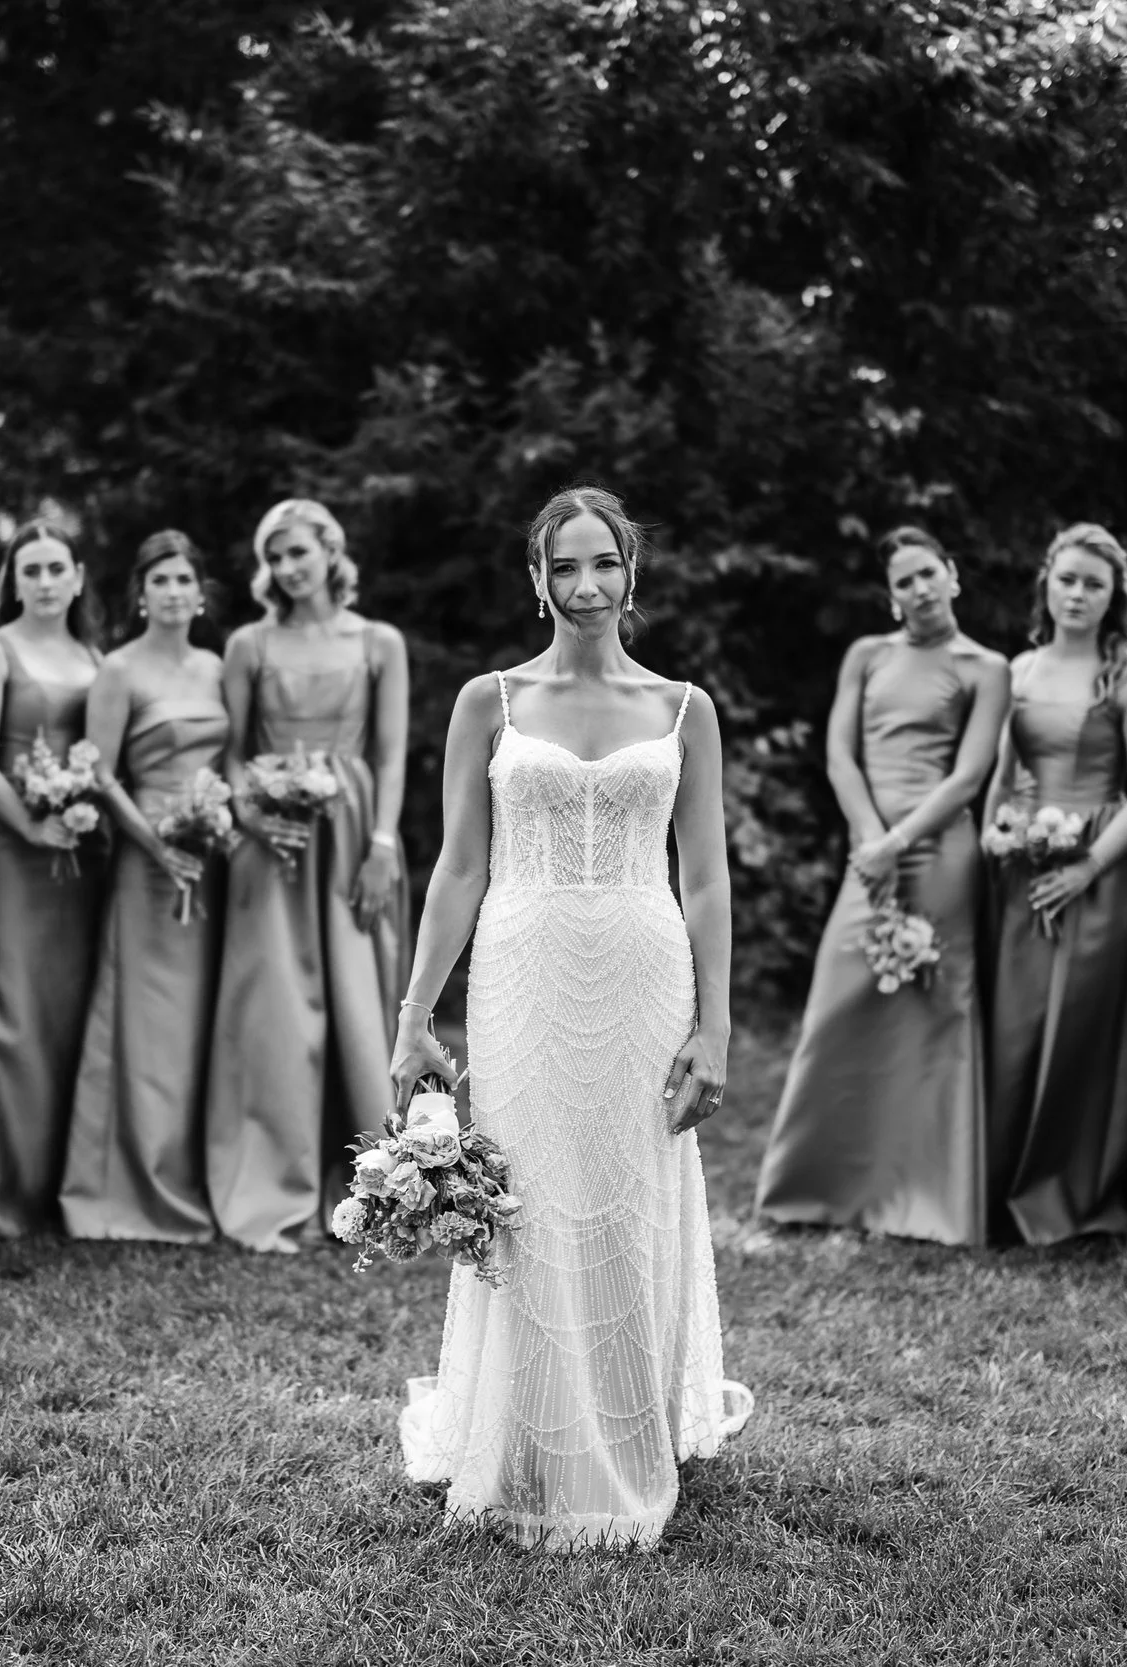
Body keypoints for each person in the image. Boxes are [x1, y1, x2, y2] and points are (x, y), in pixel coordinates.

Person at [389, 485, 751, 1553]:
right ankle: (523, 1443)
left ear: (631, 574)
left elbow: (711, 875)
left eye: (606, 564)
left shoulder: (684, 707)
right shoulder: (487, 700)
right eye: (566, 567)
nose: (586, 586)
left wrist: (717, 1024)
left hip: (645, 966)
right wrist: (414, 1020)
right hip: (521, 966)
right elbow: (458, 866)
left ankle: (630, 1437)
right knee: (531, 1194)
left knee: (630, 1193)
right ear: (535, 577)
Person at [755, 526, 1010, 1242]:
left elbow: (969, 774)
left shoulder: (987, 666)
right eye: (905, 581)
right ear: (891, 596)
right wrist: (872, 840)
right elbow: (840, 754)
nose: (920, 589)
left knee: (934, 1014)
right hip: (870, 853)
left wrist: (900, 840)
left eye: (929, 573)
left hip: (940, 852)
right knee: (841, 1002)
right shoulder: (867, 655)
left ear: (953, 575)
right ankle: (817, 1187)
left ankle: (932, 1199)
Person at [204, 498, 412, 1252]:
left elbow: (391, 754)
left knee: (359, 1003)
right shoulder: (247, 643)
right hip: (274, 836)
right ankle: (274, 1181)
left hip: (355, 833)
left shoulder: (379, 641)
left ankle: (374, 1184)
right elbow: (228, 753)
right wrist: (253, 815)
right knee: (277, 1010)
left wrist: (383, 841)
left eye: (299, 551)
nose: (288, 568)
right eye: (276, 556)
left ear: (330, 550)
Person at [982, 523, 1127, 1243]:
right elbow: (1000, 777)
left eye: (1095, 583)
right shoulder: (1019, 672)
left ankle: (1078, 1191)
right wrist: (995, 832)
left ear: (1114, 596)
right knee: (1019, 1029)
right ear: (1047, 584)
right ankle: (1007, 1185)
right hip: (1024, 867)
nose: (1079, 594)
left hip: (1104, 867)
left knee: (1086, 1032)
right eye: (1068, 579)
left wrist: (1090, 863)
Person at [61, 531, 230, 1242]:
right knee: (145, 1020)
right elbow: (100, 775)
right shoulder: (119, 670)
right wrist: (158, 846)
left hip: (209, 857)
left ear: (198, 593)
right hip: (146, 855)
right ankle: (129, 1185)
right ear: (140, 595)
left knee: (197, 1025)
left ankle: (196, 1172)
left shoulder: (219, 668)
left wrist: (215, 827)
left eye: (181, 579)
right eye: (156, 579)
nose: (170, 590)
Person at [0, 518, 103, 1237]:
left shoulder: (93, 654)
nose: (45, 581)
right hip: (15, 850)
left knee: (67, 1015)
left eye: (56, 568)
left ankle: (59, 1185)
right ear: (13, 580)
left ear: (77, 577)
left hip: (81, 857)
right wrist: (27, 822)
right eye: (31, 569)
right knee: (12, 1010)